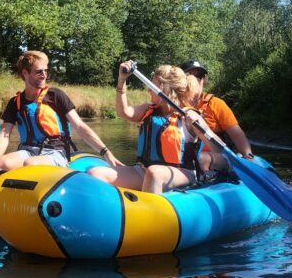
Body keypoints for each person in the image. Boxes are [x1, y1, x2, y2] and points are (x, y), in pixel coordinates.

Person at [87, 61, 211, 194]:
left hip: (181, 173)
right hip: (144, 170)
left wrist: (199, 126)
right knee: (95, 174)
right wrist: (122, 79)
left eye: (152, 86)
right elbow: (123, 112)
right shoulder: (148, 110)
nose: (149, 90)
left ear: (166, 89)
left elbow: (216, 145)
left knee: (155, 173)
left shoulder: (189, 116)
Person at [0, 50, 122, 171]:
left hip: (55, 152)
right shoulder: (15, 102)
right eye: (39, 72)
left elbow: (80, 126)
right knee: (2, 163)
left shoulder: (55, 96)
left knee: (30, 163)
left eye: (46, 71)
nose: (44, 75)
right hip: (28, 151)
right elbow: (4, 135)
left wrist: (105, 152)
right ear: (25, 73)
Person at [179, 59, 253, 170]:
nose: (195, 80)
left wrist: (248, 156)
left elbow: (237, 135)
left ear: (203, 80)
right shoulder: (173, 104)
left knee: (199, 158)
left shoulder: (216, 104)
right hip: (183, 158)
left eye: (199, 76)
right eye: (189, 76)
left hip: (213, 161)